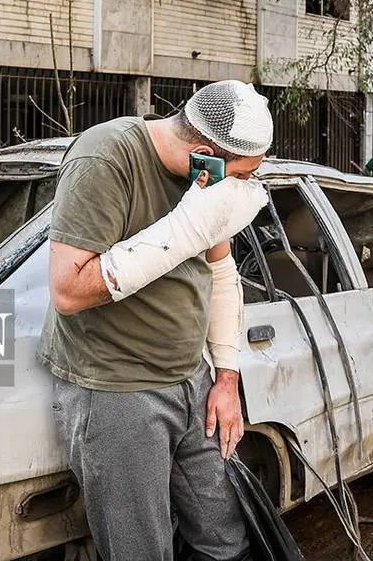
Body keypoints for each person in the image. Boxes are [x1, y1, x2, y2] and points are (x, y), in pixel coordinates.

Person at [40, 80, 273, 561]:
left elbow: (221, 273)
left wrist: (226, 377)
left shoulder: (205, 181)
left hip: (192, 379)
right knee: (140, 550)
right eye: (243, 175)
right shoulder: (106, 158)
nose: (247, 186)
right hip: (119, 389)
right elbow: (67, 290)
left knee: (226, 539)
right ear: (205, 157)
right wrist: (184, 227)